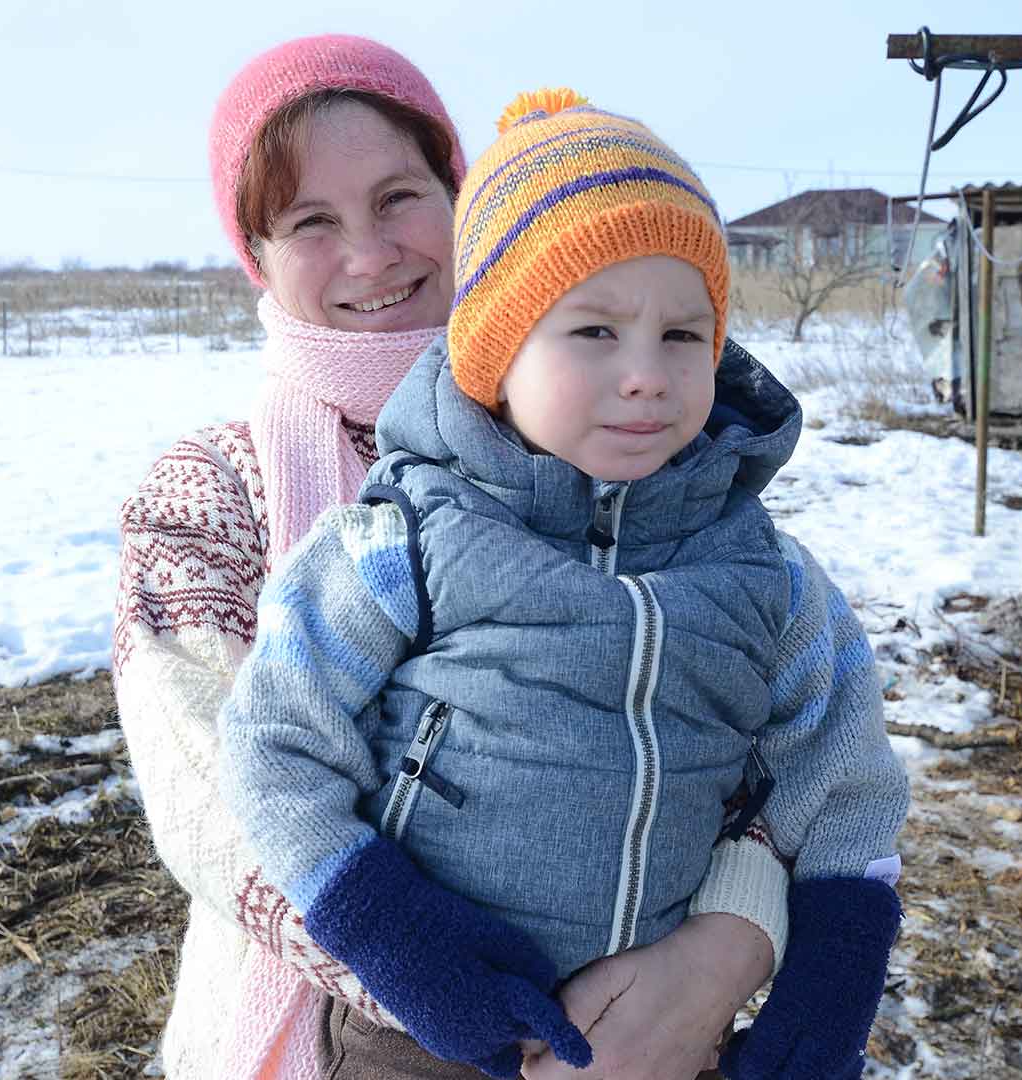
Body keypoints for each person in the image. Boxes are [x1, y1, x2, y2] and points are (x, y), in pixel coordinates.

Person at [112, 37, 792, 1080]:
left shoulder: (633, 441)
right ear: (258, 253)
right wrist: (455, 989)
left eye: (398, 197)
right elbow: (212, 790)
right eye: (311, 222)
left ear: (462, 196)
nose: (371, 253)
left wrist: (720, 953)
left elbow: (744, 731)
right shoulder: (212, 489)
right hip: (339, 1036)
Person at [219, 89, 910, 1080]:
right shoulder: (405, 537)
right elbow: (275, 738)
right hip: (420, 1032)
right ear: (498, 355)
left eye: (683, 335)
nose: (646, 374)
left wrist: (832, 971)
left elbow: (840, 776)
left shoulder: (768, 574)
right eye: (592, 332)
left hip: (670, 1038)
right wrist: (394, 934)